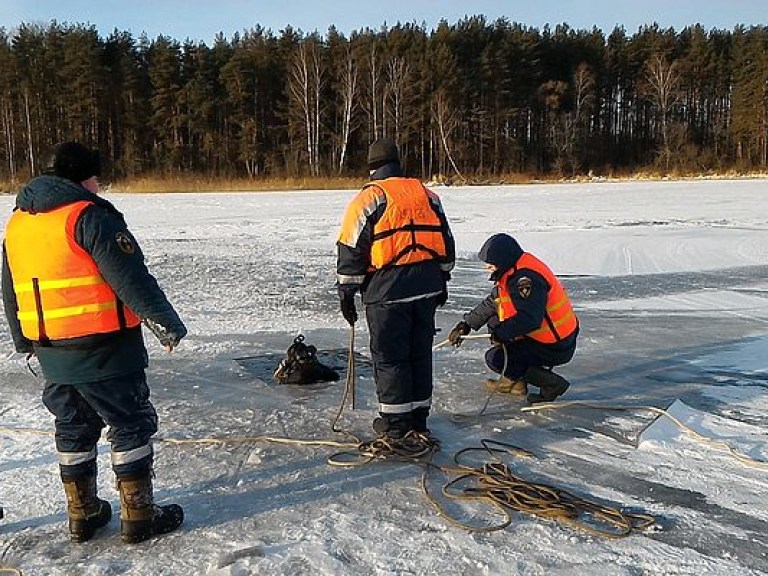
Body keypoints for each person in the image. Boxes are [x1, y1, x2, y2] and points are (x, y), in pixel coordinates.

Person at [1, 141, 186, 544]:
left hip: (52, 351)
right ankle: (138, 514)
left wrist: (23, 339)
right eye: (96, 176)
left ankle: (82, 513)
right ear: (82, 177)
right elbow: (129, 277)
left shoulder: (18, 222)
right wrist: (165, 323)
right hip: (106, 348)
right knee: (129, 423)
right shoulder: (89, 216)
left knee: (72, 428)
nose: (100, 183)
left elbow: (10, 288)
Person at [336, 137, 455, 453]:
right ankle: (418, 419)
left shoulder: (369, 198)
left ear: (372, 166)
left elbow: (351, 246)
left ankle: (396, 425)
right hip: (428, 286)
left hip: (388, 291)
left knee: (390, 359)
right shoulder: (427, 195)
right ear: (398, 163)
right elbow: (446, 243)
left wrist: (346, 292)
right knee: (419, 354)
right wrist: (442, 280)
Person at [448, 233, 578, 404]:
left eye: (491, 263)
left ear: (503, 260)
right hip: (547, 337)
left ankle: (552, 384)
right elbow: (492, 302)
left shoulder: (524, 279)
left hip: (555, 345)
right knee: (495, 321)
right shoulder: (513, 269)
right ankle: (515, 383)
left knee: (495, 358)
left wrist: (501, 334)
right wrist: (466, 325)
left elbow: (530, 318)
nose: (488, 267)